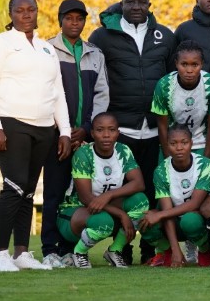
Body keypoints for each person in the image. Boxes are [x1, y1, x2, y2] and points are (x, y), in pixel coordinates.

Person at [0, 0, 72, 272]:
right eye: (19, 10)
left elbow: (57, 92)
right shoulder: (0, 44)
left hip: (44, 126)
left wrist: (65, 130)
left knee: (29, 191)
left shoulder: (46, 49)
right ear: (11, 14)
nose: (26, 14)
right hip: (10, 122)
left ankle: (21, 252)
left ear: (37, 12)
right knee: (15, 185)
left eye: (31, 9)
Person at [89, 0, 176, 264]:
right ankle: (122, 249)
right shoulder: (102, 36)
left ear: (150, 6)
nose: (136, 7)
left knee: (152, 192)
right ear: (122, 4)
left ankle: (151, 250)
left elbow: (173, 77)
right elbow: (94, 80)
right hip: (120, 129)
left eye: (142, 2)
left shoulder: (164, 35)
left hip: (154, 129)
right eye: (131, 2)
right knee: (120, 193)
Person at [42, 0, 109, 268]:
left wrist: (89, 128)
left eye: (79, 18)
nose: (74, 23)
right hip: (57, 136)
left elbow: (102, 94)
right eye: (69, 18)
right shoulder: (46, 50)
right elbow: (44, 92)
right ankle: (49, 249)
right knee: (54, 193)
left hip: (84, 137)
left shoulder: (95, 53)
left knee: (77, 194)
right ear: (60, 20)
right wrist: (64, 130)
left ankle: (69, 248)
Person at [56, 113, 148, 268]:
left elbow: (139, 183)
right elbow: (86, 198)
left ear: (118, 133)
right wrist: (121, 214)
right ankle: (79, 253)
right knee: (104, 221)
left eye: (111, 130)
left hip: (105, 206)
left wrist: (109, 195)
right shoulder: (83, 154)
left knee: (140, 201)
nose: (106, 135)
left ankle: (115, 250)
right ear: (92, 133)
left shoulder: (123, 151)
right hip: (74, 211)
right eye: (100, 130)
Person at [139, 124, 210, 267]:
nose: (179, 147)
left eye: (184, 143)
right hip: (173, 222)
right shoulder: (161, 171)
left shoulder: (205, 164)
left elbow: (195, 204)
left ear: (191, 143)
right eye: (173, 143)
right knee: (143, 221)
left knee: (190, 220)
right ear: (166, 146)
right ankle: (167, 251)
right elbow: (167, 211)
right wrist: (175, 249)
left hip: (196, 221)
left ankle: (205, 250)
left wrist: (159, 215)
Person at [152, 40, 210, 160]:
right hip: (173, 146)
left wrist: (206, 159)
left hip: (201, 144)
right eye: (184, 64)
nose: (189, 70)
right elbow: (162, 126)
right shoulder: (164, 86)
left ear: (202, 64)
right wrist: (168, 157)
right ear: (176, 63)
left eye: (195, 65)